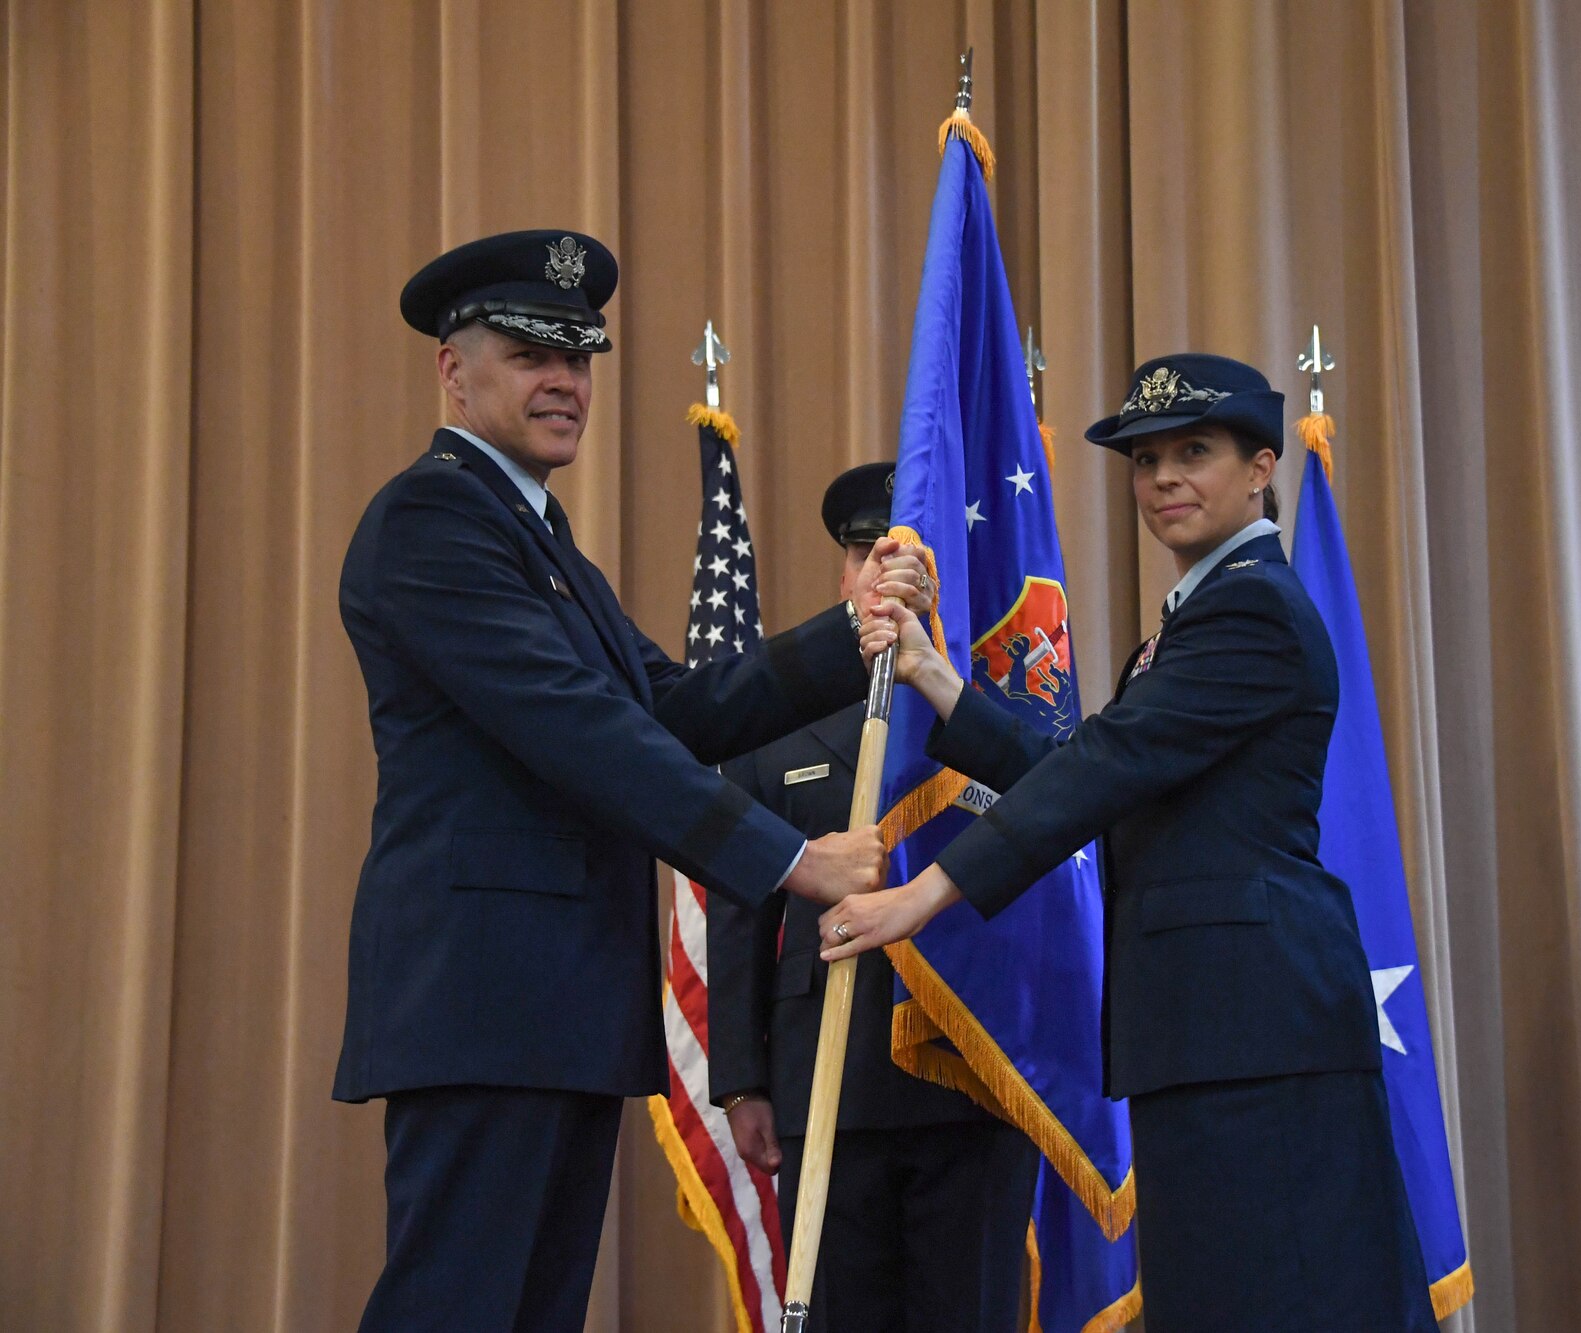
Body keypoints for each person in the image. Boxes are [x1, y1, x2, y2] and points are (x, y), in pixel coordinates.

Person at [335, 229, 930, 1333]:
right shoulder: (433, 518)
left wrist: (853, 635)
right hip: (482, 999)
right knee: (458, 1308)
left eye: (580, 357)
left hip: (549, 1002)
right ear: (451, 370)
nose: (565, 382)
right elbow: (581, 731)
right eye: (529, 354)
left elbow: (670, 704)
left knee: (531, 1311)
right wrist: (789, 858)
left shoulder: (536, 533)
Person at [815, 355, 1439, 1332]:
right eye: (1145, 460)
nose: (1162, 479)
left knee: (1290, 1300)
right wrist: (938, 678)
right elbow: (1097, 766)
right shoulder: (1194, 615)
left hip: (1257, 1027)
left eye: (1194, 452)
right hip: (1206, 1026)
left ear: (1261, 466)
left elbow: (1103, 765)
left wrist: (922, 893)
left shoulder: (1250, 607)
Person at [705, 461, 1041, 1333]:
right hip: (828, 1076)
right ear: (843, 572)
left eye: (908, 560)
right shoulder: (775, 711)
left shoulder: (1000, 714)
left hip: (975, 1072)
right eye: (865, 553)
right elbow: (743, 902)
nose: (884, 577)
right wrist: (742, 1080)